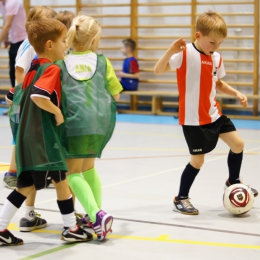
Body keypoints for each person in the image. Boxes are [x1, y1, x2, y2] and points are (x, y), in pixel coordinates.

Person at [154, 11, 258, 215]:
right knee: (198, 161)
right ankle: (181, 197)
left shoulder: (217, 57)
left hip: (214, 114)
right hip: (193, 119)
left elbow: (217, 83)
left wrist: (236, 92)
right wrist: (171, 50)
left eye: (219, 43)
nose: (216, 47)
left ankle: (233, 181)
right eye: (212, 42)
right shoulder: (185, 54)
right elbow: (158, 70)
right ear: (198, 35)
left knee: (238, 144)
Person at [0, 18, 92, 246]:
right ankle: (70, 227)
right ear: (50, 45)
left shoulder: (32, 69)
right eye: (63, 42)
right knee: (60, 178)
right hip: (44, 137)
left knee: (26, 186)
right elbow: (38, 95)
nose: (66, 46)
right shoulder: (50, 68)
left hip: (27, 137)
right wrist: (57, 113)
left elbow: (13, 94)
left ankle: (1, 228)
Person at [56, 14, 123, 241]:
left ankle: (96, 214)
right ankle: (95, 216)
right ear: (94, 40)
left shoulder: (62, 63)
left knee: (72, 172)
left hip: (75, 123)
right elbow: (115, 93)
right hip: (99, 123)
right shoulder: (102, 61)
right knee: (89, 169)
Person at [4, 6, 58, 233]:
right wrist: (22, 95)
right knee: (24, 146)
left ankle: (29, 212)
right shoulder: (28, 45)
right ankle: (13, 174)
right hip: (26, 102)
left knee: (32, 153)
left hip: (30, 101)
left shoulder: (39, 45)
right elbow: (19, 72)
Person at [0, 0, 27, 87]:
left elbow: (7, 24)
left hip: (22, 40)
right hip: (14, 41)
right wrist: (6, 38)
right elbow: (6, 20)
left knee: (20, 71)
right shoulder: (2, 3)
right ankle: (14, 96)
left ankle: (21, 97)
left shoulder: (12, 2)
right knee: (12, 71)